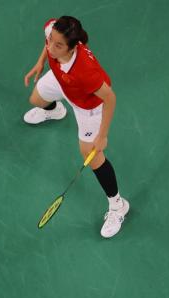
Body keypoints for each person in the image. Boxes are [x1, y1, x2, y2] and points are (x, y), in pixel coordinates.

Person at [23, 16, 129, 238]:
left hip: (87, 105)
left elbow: (110, 98)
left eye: (58, 45)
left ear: (72, 48)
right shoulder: (54, 32)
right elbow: (48, 45)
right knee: (35, 99)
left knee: (90, 152)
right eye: (50, 41)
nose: (51, 47)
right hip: (62, 81)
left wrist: (102, 135)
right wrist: (41, 62)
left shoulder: (86, 70)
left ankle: (118, 205)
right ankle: (54, 110)